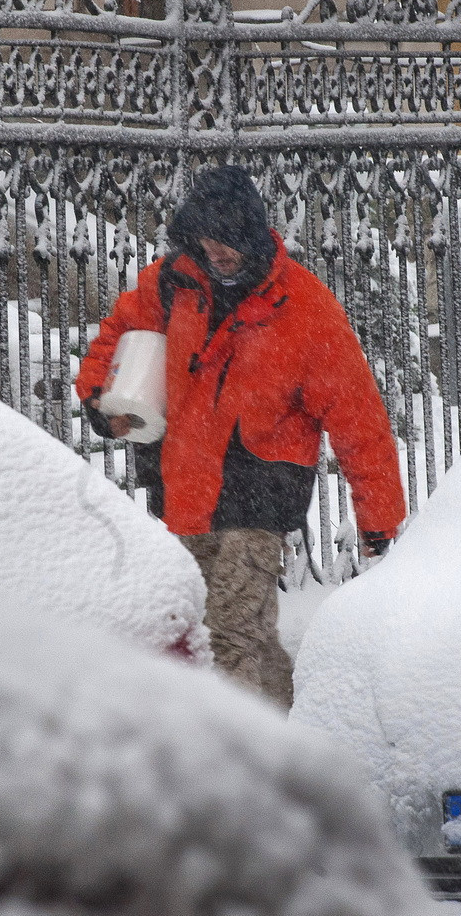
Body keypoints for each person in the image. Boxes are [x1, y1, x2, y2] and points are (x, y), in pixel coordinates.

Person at [75, 166, 406, 708]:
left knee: (226, 636)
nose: (217, 252)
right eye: (206, 241)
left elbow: (359, 423)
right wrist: (97, 399)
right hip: (183, 494)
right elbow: (116, 334)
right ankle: (295, 733)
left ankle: (241, 772)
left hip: (260, 501)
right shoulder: (172, 282)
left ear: (252, 233)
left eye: (227, 240)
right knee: (234, 634)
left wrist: (379, 520)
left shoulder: (305, 309)